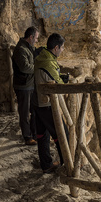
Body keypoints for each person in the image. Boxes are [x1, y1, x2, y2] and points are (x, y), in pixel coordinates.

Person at [34, 33, 68, 173]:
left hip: (37, 101)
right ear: (56, 47)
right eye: (62, 47)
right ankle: (67, 165)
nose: (63, 50)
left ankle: (46, 164)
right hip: (46, 104)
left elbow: (52, 75)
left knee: (42, 134)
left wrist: (60, 77)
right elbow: (57, 84)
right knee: (62, 133)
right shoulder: (48, 62)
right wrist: (63, 81)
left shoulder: (44, 57)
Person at [12, 27, 39, 146]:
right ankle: (27, 137)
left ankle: (34, 134)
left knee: (33, 110)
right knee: (24, 112)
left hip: (29, 84)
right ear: (31, 37)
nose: (37, 40)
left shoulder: (29, 47)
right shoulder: (21, 49)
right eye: (36, 38)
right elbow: (24, 67)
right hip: (23, 85)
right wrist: (38, 69)